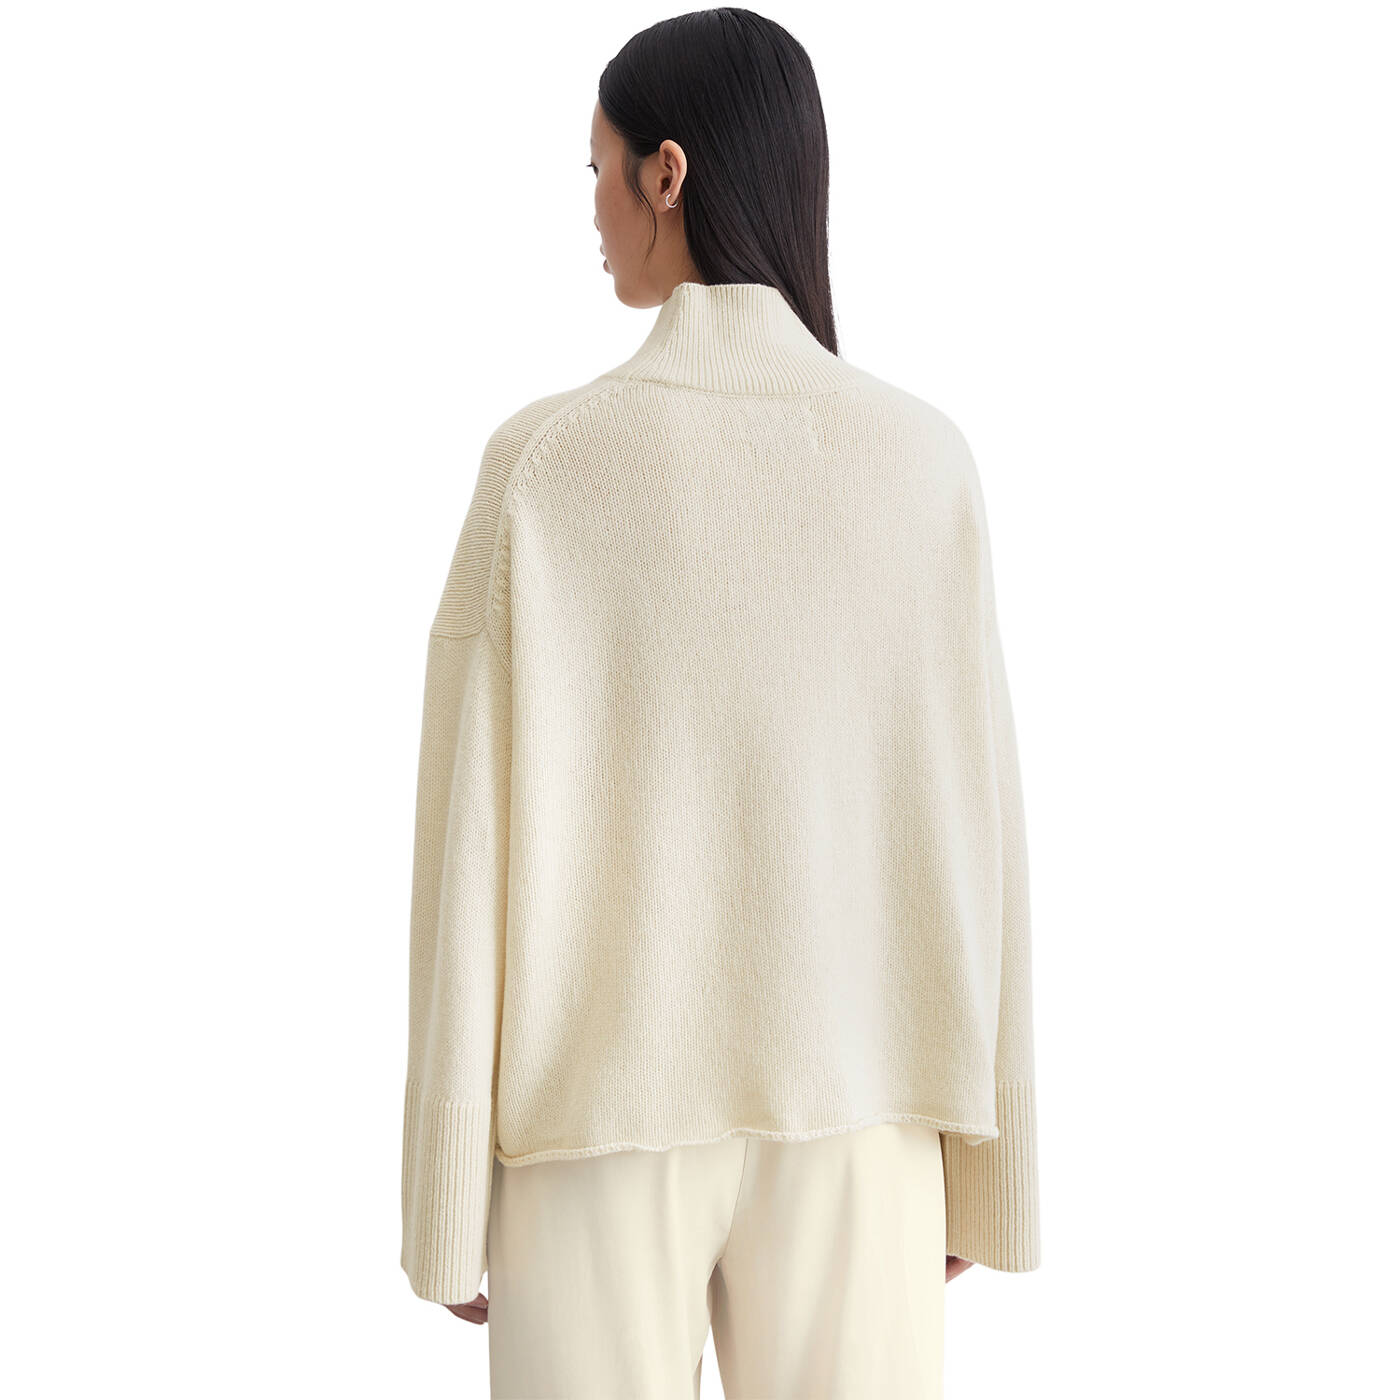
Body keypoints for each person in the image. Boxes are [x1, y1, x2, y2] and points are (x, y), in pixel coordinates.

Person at [399, 9, 1040, 1397]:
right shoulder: (925, 462)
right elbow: (976, 825)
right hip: (866, 1117)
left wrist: (444, 1191)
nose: (591, 210)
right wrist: (985, 1161)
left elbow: (468, 847)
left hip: (591, 1126)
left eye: (596, 171)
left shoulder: (546, 466)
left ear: (667, 173)